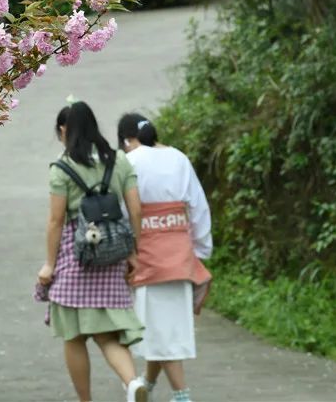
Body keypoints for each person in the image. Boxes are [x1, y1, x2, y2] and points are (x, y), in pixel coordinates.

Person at [37, 101, 149, 402]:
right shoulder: (119, 160)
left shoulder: (62, 168)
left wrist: (49, 265)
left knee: (74, 337)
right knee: (108, 335)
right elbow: (135, 209)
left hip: (77, 254)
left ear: (64, 130)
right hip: (113, 252)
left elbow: (56, 221)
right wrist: (134, 251)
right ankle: (133, 382)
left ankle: (86, 400)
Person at [118, 113, 212, 402]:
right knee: (165, 328)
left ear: (126, 140)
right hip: (180, 254)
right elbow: (198, 207)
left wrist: (125, 254)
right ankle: (149, 382)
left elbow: (124, 211)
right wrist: (200, 250)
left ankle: (182, 395)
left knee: (161, 332)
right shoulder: (179, 158)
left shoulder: (130, 161)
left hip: (147, 257)